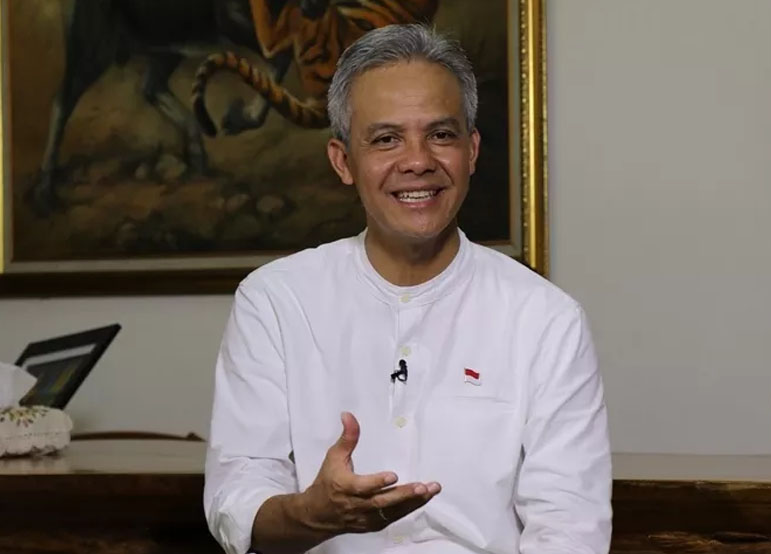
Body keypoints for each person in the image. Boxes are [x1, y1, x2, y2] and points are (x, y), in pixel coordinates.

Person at [204, 23, 611, 554]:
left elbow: (570, 528)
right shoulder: (277, 302)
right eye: (386, 139)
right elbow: (237, 495)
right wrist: (311, 515)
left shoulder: (546, 319)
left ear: (472, 151)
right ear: (343, 161)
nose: (418, 161)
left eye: (440, 135)